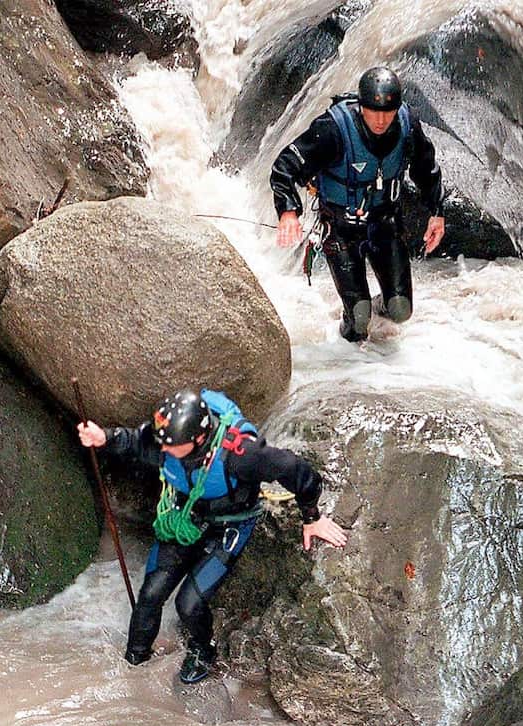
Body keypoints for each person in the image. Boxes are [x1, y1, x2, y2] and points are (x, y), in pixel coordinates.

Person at [77, 388, 348, 684]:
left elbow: (294, 469)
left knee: (188, 603)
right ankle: (134, 663)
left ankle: (203, 650)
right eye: (162, 443)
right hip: (185, 514)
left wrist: (312, 517)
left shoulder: (241, 456)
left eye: (171, 446)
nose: (162, 451)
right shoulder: (166, 441)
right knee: (150, 595)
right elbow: (135, 442)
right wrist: (104, 438)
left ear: (197, 439)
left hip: (230, 525)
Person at [271, 66, 446, 342]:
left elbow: (426, 168)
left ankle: (375, 310)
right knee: (359, 320)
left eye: (387, 112)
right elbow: (284, 167)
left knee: (400, 310)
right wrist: (289, 212)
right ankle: (348, 348)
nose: (380, 120)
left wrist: (437, 212)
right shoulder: (332, 129)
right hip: (340, 229)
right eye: (373, 111)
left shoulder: (407, 124)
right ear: (361, 106)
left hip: (385, 224)